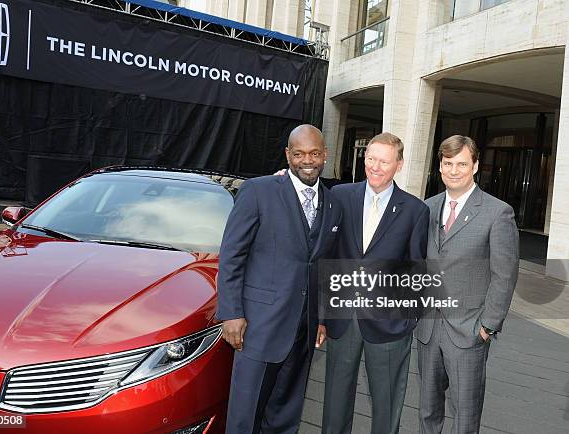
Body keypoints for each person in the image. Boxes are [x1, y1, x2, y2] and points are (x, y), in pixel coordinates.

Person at [216, 124, 342, 434]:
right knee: (246, 412)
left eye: (314, 153)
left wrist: (322, 318)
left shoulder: (333, 203)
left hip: (304, 328)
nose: (307, 160)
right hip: (259, 325)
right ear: (288, 155)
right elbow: (233, 255)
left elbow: (326, 265)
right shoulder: (258, 191)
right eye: (298, 154)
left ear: (325, 155)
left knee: (287, 408)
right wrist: (232, 313)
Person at [321, 132, 429, 434]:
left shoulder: (415, 210)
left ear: (399, 165)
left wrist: (407, 318)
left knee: (387, 406)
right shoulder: (341, 196)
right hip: (342, 320)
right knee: (334, 404)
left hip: (389, 325)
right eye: (370, 158)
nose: (375, 166)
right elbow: (325, 252)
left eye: (384, 161)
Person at [416, 135, 519, 434]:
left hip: (469, 330)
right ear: (440, 167)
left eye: (462, 163)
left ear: (475, 166)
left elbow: (505, 274)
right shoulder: (428, 207)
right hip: (428, 329)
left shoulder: (498, 212)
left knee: (465, 418)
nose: (454, 170)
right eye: (448, 163)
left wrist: (488, 326)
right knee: (427, 412)